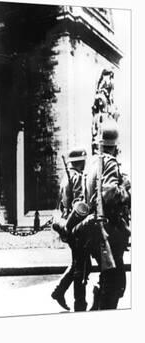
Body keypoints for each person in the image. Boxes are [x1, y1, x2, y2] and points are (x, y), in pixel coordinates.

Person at [80, 121, 131, 310]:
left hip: (96, 229)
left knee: (108, 277)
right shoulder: (110, 163)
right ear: (115, 147)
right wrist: (125, 189)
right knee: (116, 283)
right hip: (109, 231)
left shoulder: (92, 163)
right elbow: (109, 194)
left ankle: (98, 306)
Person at [50, 147, 90, 311]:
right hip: (75, 226)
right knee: (81, 266)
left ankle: (59, 291)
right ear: (82, 161)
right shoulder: (78, 178)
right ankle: (79, 303)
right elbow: (80, 205)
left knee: (80, 263)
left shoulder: (66, 178)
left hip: (67, 223)